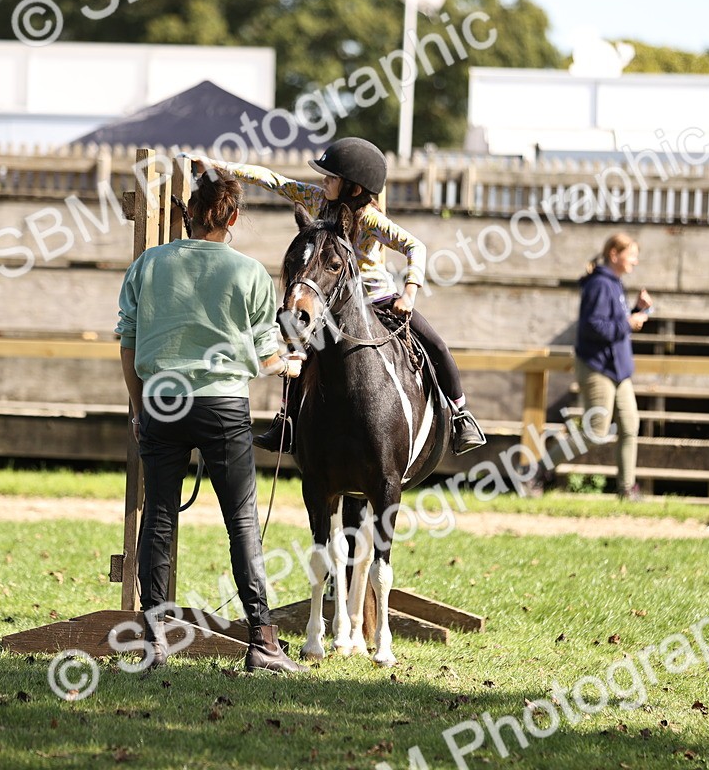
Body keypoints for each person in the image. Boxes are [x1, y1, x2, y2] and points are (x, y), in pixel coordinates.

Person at [116, 171, 306, 673]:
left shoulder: (148, 264)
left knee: (158, 517)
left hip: (160, 401)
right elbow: (267, 357)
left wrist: (138, 408)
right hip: (223, 405)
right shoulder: (250, 274)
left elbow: (128, 341)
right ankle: (263, 641)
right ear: (233, 218)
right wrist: (290, 364)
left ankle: (152, 639)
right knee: (241, 522)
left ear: (189, 214)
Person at [192, 138, 486, 455]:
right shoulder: (317, 199)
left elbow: (415, 247)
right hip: (330, 305)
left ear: (354, 189)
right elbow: (274, 181)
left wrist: (409, 293)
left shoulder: (371, 220)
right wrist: (220, 168)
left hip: (377, 301)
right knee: (299, 354)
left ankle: (460, 415)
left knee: (437, 345)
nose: (324, 180)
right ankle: (286, 423)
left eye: (331, 177)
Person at [533, 232, 652, 500]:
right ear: (614, 254)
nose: (635, 260)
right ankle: (538, 473)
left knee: (630, 425)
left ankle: (626, 489)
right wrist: (628, 323)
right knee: (595, 431)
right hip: (598, 367)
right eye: (631, 254)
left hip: (618, 368)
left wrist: (636, 311)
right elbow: (592, 326)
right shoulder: (599, 284)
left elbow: (614, 324)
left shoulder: (615, 283)